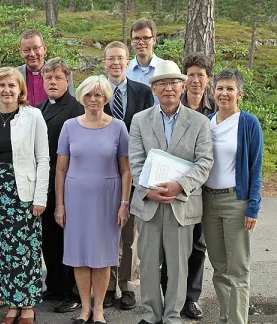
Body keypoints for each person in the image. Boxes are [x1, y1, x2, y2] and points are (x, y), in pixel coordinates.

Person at [128, 60, 213, 324]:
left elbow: (204, 162)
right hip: (149, 203)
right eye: (161, 84)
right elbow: (135, 161)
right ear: (153, 90)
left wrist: (180, 185)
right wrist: (147, 189)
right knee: (149, 264)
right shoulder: (140, 121)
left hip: (181, 203)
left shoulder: (199, 122)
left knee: (178, 266)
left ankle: (173, 316)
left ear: (182, 86)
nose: (168, 88)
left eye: (173, 83)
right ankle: (151, 314)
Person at [55, 75, 131, 324]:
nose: (93, 99)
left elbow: (126, 170)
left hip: (107, 199)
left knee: (102, 257)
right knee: (79, 255)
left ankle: (99, 309)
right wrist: (60, 204)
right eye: (88, 94)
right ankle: (84, 308)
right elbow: (61, 170)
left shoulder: (118, 126)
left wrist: (124, 203)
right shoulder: (69, 126)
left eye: (98, 94)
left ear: (106, 97)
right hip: (76, 198)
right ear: (82, 97)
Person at [0, 67, 49, 324]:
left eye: (12, 86)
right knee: (1, 249)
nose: (6, 90)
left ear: (20, 89)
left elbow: (43, 158)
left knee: (25, 249)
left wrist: (40, 197)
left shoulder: (33, 116)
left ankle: (28, 305)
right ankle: (11, 304)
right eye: (1, 86)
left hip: (24, 192)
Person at [202, 68, 263, 324]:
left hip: (236, 202)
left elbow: (256, 167)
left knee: (237, 269)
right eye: (220, 88)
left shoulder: (248, 123)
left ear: (240, 94)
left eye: (230, 88)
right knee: (219, 267)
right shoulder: (206, 122)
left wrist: (253, 207)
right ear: (213, 92)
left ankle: (238, 321)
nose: (224, 93)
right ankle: (226, 317)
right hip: (208, 201)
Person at [160, 52, 216, 320]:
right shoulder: (171, 104)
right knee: (170, 246)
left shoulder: (217, 109)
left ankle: (191, 298)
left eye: (200, 76)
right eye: (191, 75)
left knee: (197, 246)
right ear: (185, 79)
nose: (195, 80)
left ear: (208, 79)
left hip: (204, 188)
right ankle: (169, 295)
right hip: (173, 188)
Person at [101, 41, 153, 310]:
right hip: (104, 172)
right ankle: (107, 285)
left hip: (134, 170)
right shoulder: (97, 93)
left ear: (128, 61)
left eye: (120, 58)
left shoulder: (143, 92)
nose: (116, 63)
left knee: (130, 234)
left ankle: (128, 285)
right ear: (104, 63)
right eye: (111, 59)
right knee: (108, 231)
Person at [35, 57, 83, 314]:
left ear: (67, 80)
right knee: (49, 239)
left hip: (67, 185)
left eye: (58, 78)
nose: (52, 82)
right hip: (45, 186)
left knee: (67, 239)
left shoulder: (75, 110)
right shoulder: (39, 107)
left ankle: (71, 291)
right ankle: (53, 285)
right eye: (48, 77)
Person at [17, 30, 74, 106]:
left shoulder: (62, 73)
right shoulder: (14, 75)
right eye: (27, 50)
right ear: (21, 52)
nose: (32, 54)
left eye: (36, 48)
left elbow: (71, 104)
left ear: (44, 48)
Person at [126, 19, 163, 104]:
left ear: (154, 40)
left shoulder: (165, 68)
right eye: (136, 38)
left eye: (146, 38)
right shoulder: (125, 71)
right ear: (131, 42)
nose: (141, 42)